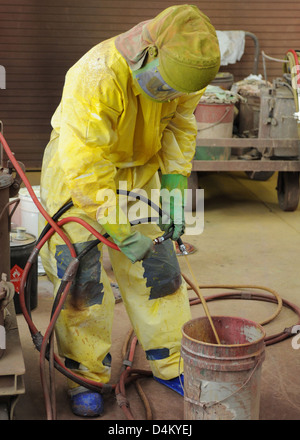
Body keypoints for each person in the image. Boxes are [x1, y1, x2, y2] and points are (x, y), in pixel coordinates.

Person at [39, 4, 220, 417]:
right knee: (81, 278)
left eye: (179, 91)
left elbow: (180, 127)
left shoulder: (189, 70)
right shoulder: (97, 74)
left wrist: (175, 188)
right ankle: (84, 373)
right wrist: (118, 228)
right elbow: (85, 164)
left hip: (139, 173)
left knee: (159, 269)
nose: (171, 97)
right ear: (148, 54)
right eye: (166, 86)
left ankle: (171, 361)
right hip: (77, 176)